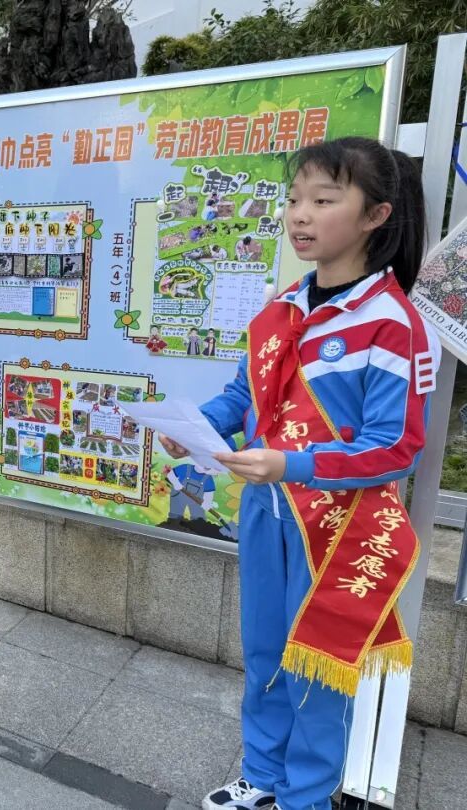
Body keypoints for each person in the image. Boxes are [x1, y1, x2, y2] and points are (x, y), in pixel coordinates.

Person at [160, 137, 438, 810]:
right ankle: (263, 776)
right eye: (293, 200)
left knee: (319, 670)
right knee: (264, 654)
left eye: (322, 199)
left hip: (338, 529)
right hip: (266, 511)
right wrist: (196, 425)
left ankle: (305, 798)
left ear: (376, 215)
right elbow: (244, 396)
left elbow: (395, 448)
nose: (299, 215)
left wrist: (291, 463)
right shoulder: (283, 306)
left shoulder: (391, 325)